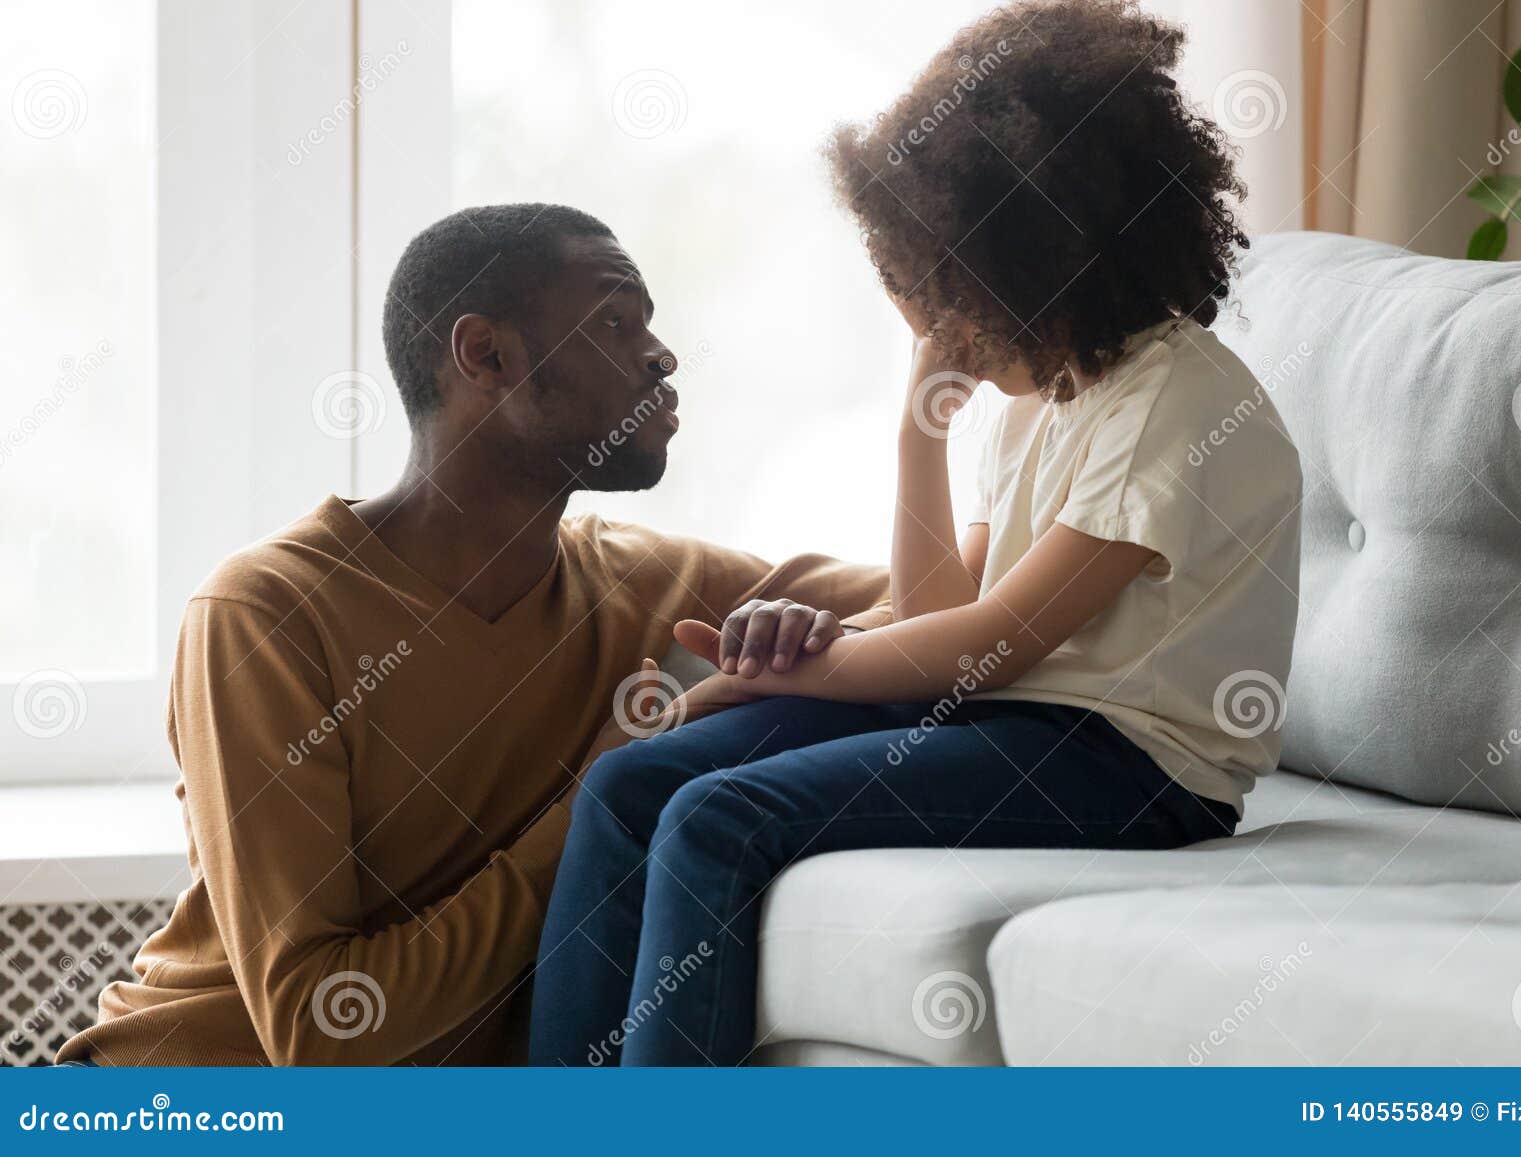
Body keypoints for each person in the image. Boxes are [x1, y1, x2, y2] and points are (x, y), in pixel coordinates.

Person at [528, 0, 1303, 1067]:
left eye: (958, 313)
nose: (944, 343)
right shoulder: (1048, 391)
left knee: (719, 818)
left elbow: (990, 641)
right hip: (1005, 717)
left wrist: (813, 672)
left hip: (1132, 766)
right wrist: (917, 432)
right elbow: (939, 612)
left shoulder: (1171, 407)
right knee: (630, 786)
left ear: (1044, 270)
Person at [56, 204, 888, 1066]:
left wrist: (811, 640)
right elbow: (320, 1031)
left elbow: (965, 606)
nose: (664, 355)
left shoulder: (657, 583)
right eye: (616, 319)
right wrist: (607, 791)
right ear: (485, 355)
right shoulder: (265, 614)